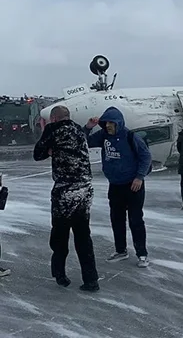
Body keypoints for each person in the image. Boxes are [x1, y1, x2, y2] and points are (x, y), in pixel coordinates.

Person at [33, 105, 99, 291]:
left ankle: (60, 274)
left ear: (53, 118)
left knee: (60, 234)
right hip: (85, 189)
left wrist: (48, 150)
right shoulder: (78, 129)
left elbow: (37, 154)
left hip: (65, 190)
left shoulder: (53, 130)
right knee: (83, 235)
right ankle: (91, 279)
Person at [83, 106, 152, 268]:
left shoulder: (130, 136)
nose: (108, 126)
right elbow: (84, 141)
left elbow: (145, 156)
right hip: (115, 185)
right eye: (105, 123)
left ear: (118, 123)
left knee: (135, 220)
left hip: (133, 185)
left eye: (111, 123)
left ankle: (142, 254)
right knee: (117, 219)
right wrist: (87, 128)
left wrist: (139, 177)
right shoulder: (103, 136)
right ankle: (121, 250)